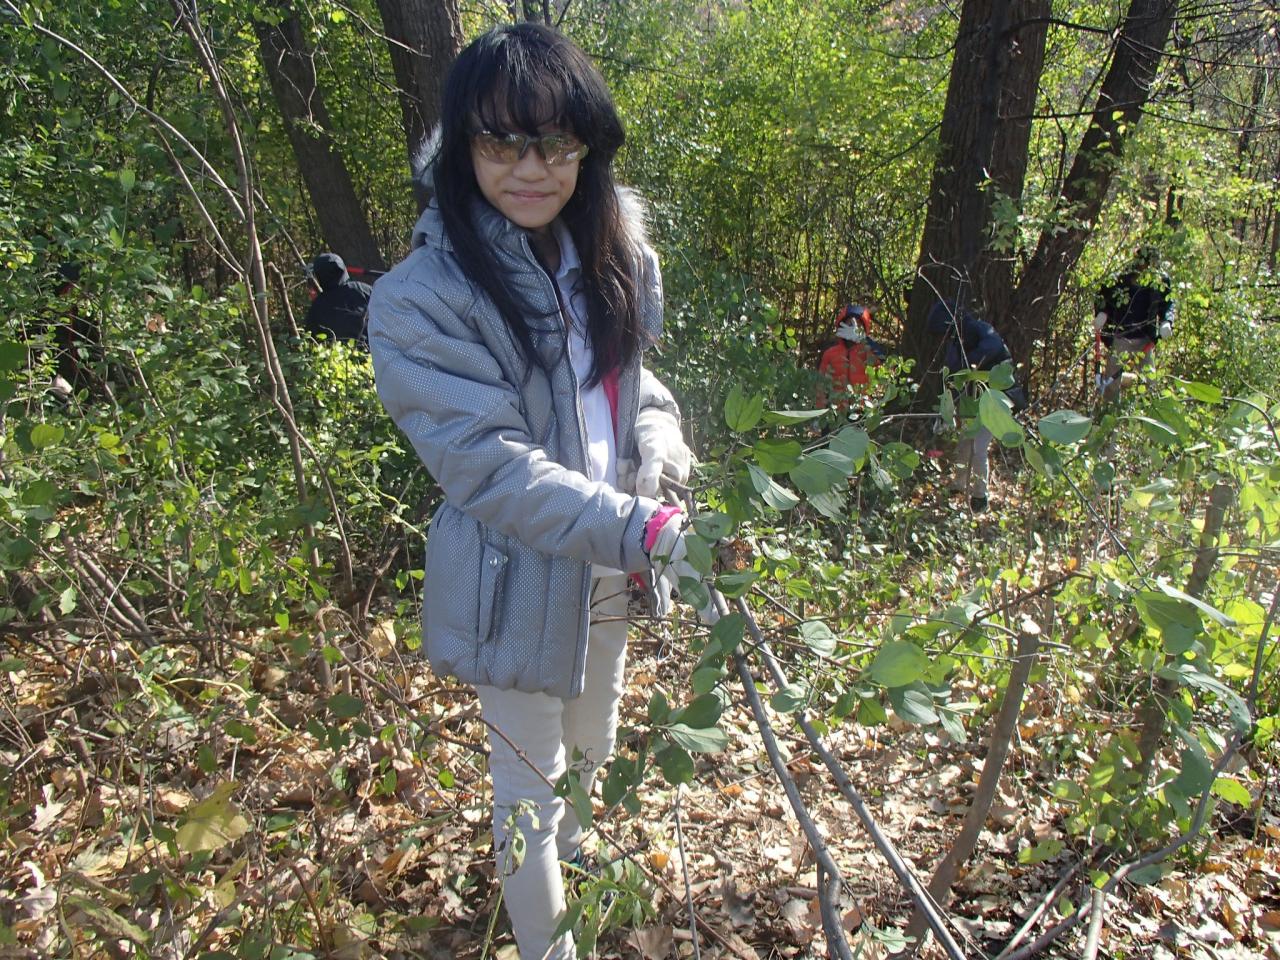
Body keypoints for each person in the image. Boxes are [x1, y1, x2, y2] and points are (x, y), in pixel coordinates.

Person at [366, 24, 709, 959]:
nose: (531, 167)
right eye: (501, 141)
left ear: (586, 148)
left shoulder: (613, 257)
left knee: (594, 741)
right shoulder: (419, 300)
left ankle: (575, 874)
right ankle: (547, 948)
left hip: (616, 566)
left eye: (555, 141)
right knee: (528, 780)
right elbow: (493, 470)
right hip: (515, 577)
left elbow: (638, 387)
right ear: (461, 146)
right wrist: (647, 530)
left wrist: (661, 449)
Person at [926, 299, 1019, 512]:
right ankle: (958, 484)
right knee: (964, 445)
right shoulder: (955, 345)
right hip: (970, 404)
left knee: (978, 448)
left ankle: (980, 495)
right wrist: (945, 411)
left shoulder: (982, 331)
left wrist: (969, 365)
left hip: (993, 403)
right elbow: (951, 376)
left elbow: (992, 349)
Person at [1093, 250, 1175, 400]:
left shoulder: (1160, 281)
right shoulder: (1120, 278)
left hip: (1145, 341)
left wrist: (1167, 322)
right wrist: (1103, 314)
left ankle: (1148, 416)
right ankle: (1109, 416)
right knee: (1111, 382)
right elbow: (1105, 297)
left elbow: (1167, 304)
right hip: (1121, 338)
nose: (1148, 268)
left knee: (1150, 382)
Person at [816, 303, 887, 408]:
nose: (854, 327)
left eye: (858, 325)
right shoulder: (830, 353)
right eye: (850, 324)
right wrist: (819, 412)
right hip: (836, 411)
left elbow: (882, 361)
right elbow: (821, 384)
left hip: (861, 409)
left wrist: (864, 340)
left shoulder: (868, 351)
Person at [304, 252, 373, 345]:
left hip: (336, 357)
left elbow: (311, 339)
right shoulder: (364, 290)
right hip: (374, 352)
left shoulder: (317, 306)